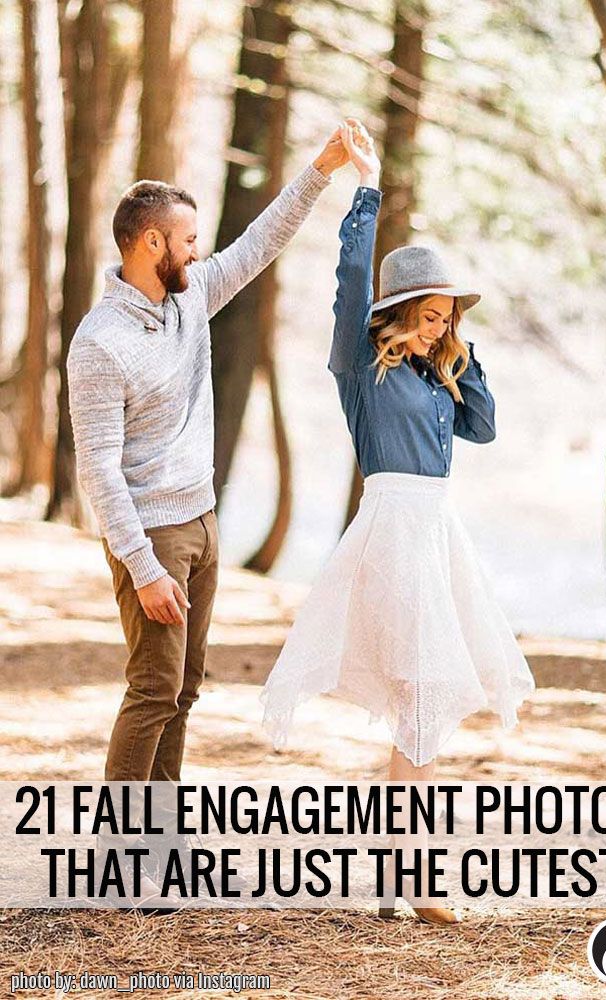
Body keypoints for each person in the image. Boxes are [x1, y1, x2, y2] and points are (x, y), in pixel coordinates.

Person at [260, 120, 536, 925]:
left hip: (436, 535)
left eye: (447, 315)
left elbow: (482, 427)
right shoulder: (361, 370)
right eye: (428, 315)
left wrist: (460, 353)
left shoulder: (436, 374)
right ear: (399, 310)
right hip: (390, 534)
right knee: (417, 696)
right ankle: (414, 876)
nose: (437, 325)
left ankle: (397, 869)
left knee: (422, 699)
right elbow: (350, 281)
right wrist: (366, 190)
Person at [67, 127, 350, 911]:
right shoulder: (100, 344)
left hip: (202, 523)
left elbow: (260, 244)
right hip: (150, 537)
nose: (198, 252)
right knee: (152, 688)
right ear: (147, 242)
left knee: (184, 688)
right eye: (187, 240)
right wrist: (143, 566)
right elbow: (97, 470)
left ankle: (158, 850)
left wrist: (318, 173)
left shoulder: (188, 302)